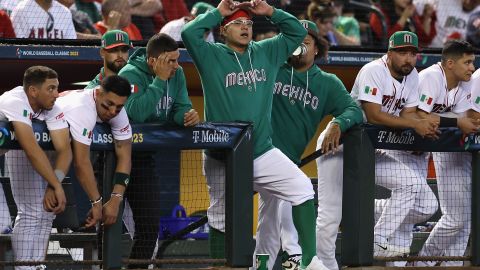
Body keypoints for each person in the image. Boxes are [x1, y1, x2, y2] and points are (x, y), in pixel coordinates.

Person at [182, 1, 324, 269]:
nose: (245, 27)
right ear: (223, 30)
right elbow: (189, 34)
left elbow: (295, 32)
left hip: (260, 150)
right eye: (238, 23)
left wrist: (270, 12)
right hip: (221, 153)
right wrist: (219, 12)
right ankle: (220, 266)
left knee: (303, 189)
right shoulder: (211, 55)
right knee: (220, 216)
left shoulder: (266, 51)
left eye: (248, 23)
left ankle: (307, 259)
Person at [315, 31, 440, 267]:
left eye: (413, 53)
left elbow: (407, 114)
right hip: (340, 144)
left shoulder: (412, 75)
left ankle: (378, 237)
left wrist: (426, 122)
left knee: (411, 184)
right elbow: (373, 115)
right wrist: (416, 124)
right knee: (331, 216)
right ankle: (324, 266)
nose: (408, 58)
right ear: (390, 53)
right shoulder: (374, 70)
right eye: (402, 52)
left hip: (369, 148)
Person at [253, 20, 363, 270]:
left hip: (287, 161)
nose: (299, 46)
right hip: (258, 154)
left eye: (306, 41)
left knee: (271, 217)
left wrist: (338, 123)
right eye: (294, 41)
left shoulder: (326, 83)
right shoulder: (271, 67)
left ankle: (275, 262)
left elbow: (354, 110)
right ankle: (297, 258)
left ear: (316, 48)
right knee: (269, 211)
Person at [118, 32, 199, 266]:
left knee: (149, 227)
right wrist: (160, 81)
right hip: (114, 156)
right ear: (153, 61)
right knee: (109, 224)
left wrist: (185, 116)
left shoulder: (178, 74)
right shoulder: (129, 74)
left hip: (143, 159)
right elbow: (136, 114)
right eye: (170, 61)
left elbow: (180, 106)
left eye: (177, 59)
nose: (176, 66)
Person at [415, 40, 479, 266]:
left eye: (473, 62)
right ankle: (423, 262)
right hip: (396, 143)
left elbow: (466, 120)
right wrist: (457, 122)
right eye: (467, 62)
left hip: (427, 148)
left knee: (463, 220)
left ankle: (451, 264)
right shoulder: (431, 77)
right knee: (453, 218)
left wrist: (457, 122)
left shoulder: (462, 85)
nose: (472, 67)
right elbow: (419, 116)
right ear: (450, 63)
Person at [0, 66, 71, 269]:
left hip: (10, 151)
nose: (56, 94)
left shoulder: (51, 107)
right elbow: (31, 149)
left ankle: (36, 265)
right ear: (33, 91)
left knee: (46, 210)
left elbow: (65, 150)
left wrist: (53, 184)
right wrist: (56, 185)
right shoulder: (14, 100)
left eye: (57, 88)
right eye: (51, 88)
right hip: (19, 151)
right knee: (19, 215)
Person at [53, 75, 133, 231]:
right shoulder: (82, 108)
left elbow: (125, 157)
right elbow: (81, 163)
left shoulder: (118, 112)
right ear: (97, 93)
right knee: (33, 211)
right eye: (108, 104)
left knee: (43, 213)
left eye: (118, 107)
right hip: (24, 140)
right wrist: (97, 203)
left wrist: (116, 199)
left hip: (53, 149)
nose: (112, 111)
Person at [370, 0, 436, 47]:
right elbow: (388, 41)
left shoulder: (410, 10)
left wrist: (427, 17)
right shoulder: (378, 13)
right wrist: (404, 18)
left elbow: (424, 40)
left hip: (413, 55)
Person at [11, 0, 77, 39]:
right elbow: (18, 50)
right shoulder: (21, 10)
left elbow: (72, 49)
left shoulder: (65, 12)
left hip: (58, 60)